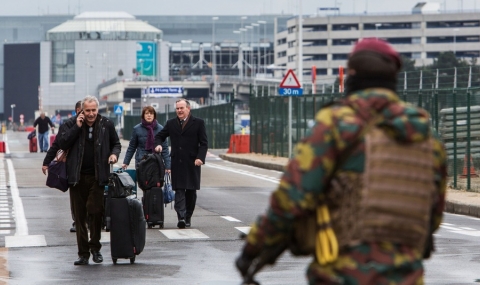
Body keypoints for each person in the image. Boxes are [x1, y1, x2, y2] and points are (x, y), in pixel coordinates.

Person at [235, 38, 447, 284]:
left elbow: (292, 199)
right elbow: (433, 218)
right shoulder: (426, 138)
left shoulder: (336, 124)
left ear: (353, 74)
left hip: (342, 275)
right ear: (393, 78)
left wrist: (253, 247)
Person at [57, 95, 121, 265]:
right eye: (87, 111)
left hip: (97, 176)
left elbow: (116, 143)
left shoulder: (106, 124)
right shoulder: (71, 124)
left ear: (97, 110)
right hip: (76, 178)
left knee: (95, 211)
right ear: (81, 111)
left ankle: (95, 249)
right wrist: (77, 127)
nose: (91, 114)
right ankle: (83, 254)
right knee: (79, 217)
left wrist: (114, 154)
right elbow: (62, 143)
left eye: (94, 110)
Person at [154, 99, 208, 229]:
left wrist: (200, 157)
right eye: (177, 108)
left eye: (181, 108)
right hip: (177, 162)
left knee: (191, 192)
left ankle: (188, 216)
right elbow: (159, 136)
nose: (179, 111)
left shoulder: (198, 123)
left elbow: (204, 143)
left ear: (188, 109)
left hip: (192, 163)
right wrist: (158, 145)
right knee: (179, 190)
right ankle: (181, 217)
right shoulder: (171, 123)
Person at [42, 101, 82, 233]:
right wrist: (46, 162)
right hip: (73, 167)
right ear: (77, 110)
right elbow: (58, 144)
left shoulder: (97, 124)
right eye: (85, 110)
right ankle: (77, 221)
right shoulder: (68, 124)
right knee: (76, 197)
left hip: (91, 168)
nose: (89, 114)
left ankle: (89, 220)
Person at [122, 106, 171, 173]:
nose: (149, 115)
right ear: (143, 115)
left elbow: (165, 148)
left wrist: (168, 166)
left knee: (155, 182)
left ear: (154, 115)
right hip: (141, 161)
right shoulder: (137, 129)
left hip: (156, 161)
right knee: (142, 182)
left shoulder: (160, 129)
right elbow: (132, 147)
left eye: (151, 113)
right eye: (146, 113)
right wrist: (126, 162)